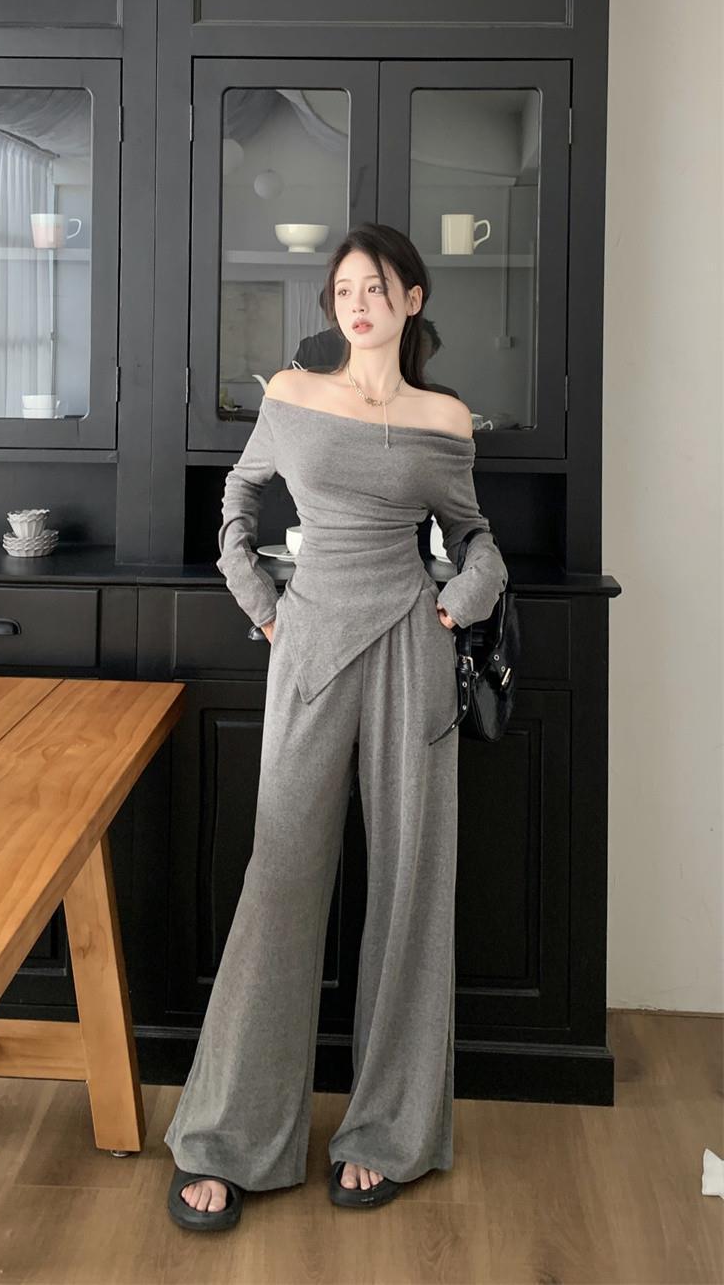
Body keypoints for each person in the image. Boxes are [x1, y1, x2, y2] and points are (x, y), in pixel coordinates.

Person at [165, 222, 508, 1232]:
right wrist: (259, 600)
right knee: (279, 878)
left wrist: (462, 602)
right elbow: (237, 495)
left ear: (412, 299)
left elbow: (473, 537)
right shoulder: (291, 393)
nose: (357, 303)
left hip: (410, 646)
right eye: (344, 289)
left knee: (410, 888)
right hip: (309, 640)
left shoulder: (444, 417)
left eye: (376, 286)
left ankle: (386, 1134)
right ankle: (228, 1137)